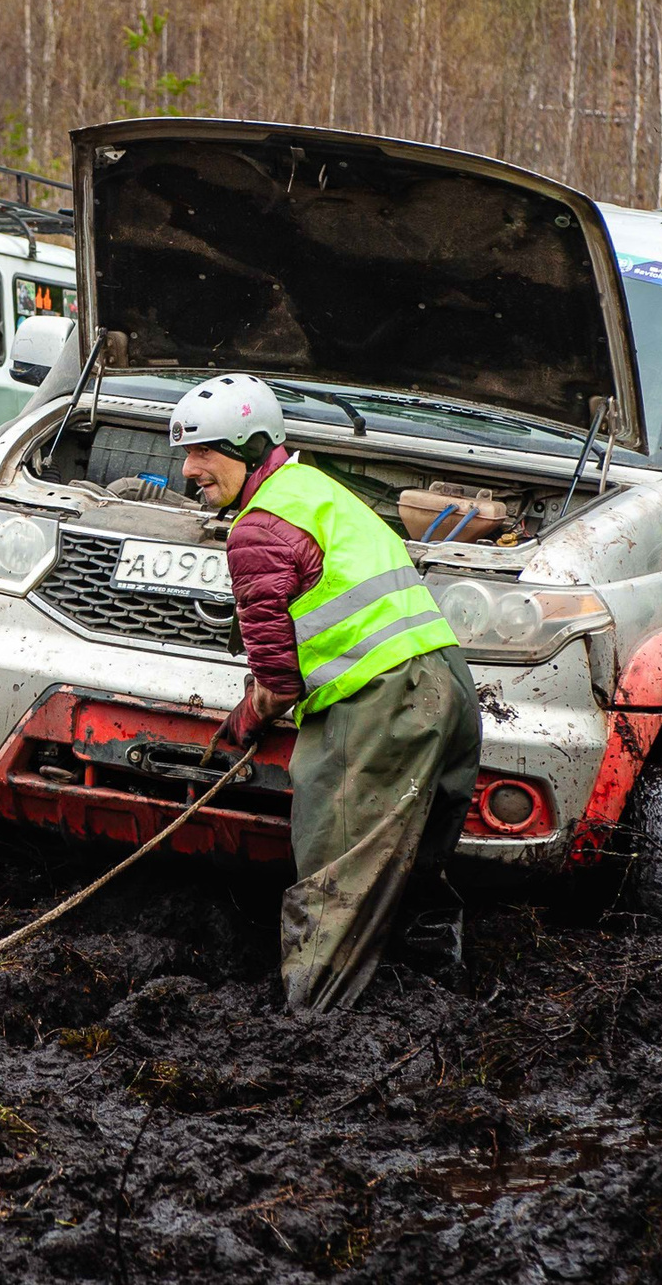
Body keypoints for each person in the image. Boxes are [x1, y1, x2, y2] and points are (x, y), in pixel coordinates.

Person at [172, 373, 480, 1013]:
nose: (190, 469)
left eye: (205, 452)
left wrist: (243, 723)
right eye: (186, 452)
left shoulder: (256, 530)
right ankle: (437, 999)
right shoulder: (314, 488)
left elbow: (278, 683)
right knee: (413, 861)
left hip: (382, 702)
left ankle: (313, 1026)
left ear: (254, 448)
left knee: (334, 873)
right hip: (447, 686)